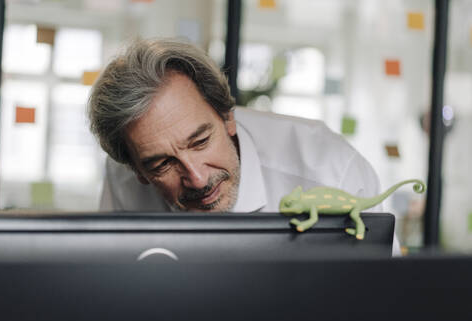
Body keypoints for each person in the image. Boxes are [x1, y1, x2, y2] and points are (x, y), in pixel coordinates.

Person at [88, 38, 400, 254]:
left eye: (200, 141)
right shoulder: (122, 176)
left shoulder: (330, 168)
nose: (197, 178)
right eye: (162, 165)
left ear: (227, 118)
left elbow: (382, 299)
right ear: (138, 170)